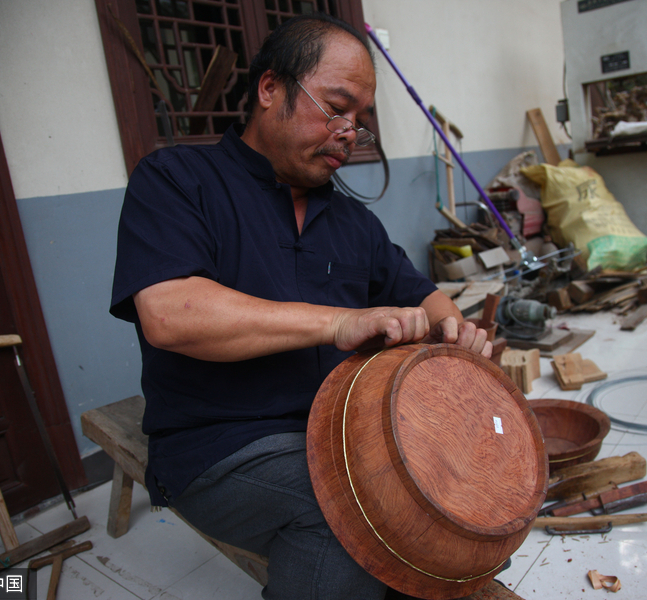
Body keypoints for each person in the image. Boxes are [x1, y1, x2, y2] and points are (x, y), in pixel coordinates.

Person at [110, 13, 491, 599]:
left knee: (445, 500)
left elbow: (427, 296)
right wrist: (338, 322)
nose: (348, 131)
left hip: (338, 431)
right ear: (270, 89)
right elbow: (169, 313)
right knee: (350, 515)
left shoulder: (351, 221)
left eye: (359, 121)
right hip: (220, 446)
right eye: (335, 107)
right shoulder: (178, 179)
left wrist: (455, 331)